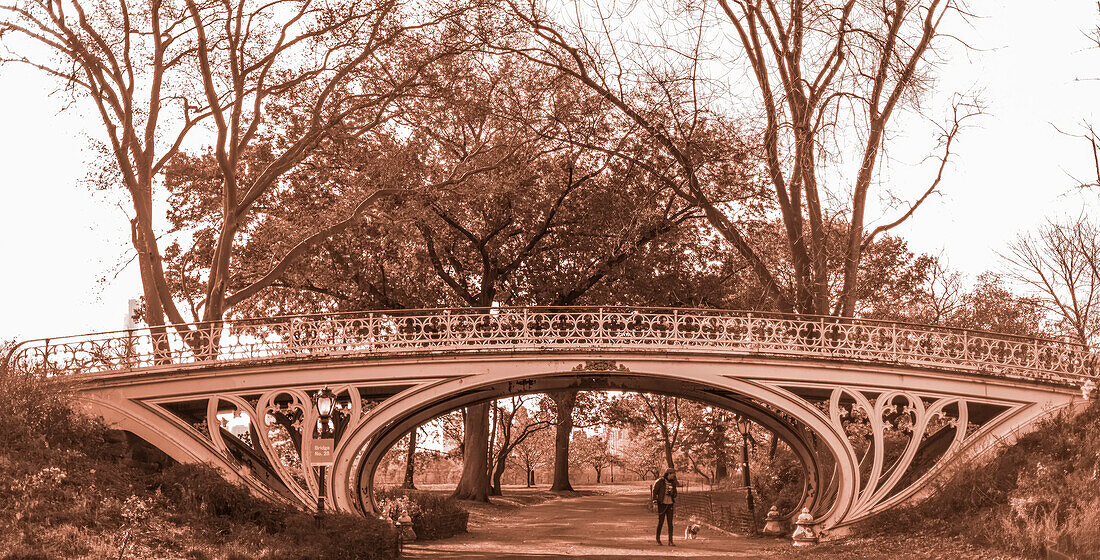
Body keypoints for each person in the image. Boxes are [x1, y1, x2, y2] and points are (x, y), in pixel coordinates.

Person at [650, 468, 678, 546]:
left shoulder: (673, 483)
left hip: (670, 504)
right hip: (662, 504)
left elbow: (675, 494)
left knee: (670, 523)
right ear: (668, 474)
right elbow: (654, 492)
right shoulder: (660, 481)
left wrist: (672, 493)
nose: (674, 476)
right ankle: (658, 539)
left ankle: (670, 541)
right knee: (661, 522)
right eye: (673, 474)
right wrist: (654, 502)